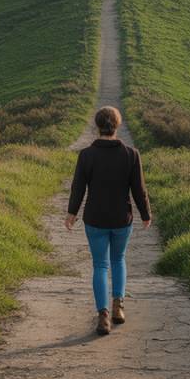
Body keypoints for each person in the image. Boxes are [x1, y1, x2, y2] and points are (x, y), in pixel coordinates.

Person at [65, 106, 152, 336]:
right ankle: (118, 308)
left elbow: (78, 187)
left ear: (97, 126)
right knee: (118, 259)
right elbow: (139, 189)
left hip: (95, 219)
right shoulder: (131, 154)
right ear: (117, 125)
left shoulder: (86, 155)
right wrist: (145, 214)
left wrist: (71, 213)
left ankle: (103, 316)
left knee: (100, 265)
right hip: (122, 219)